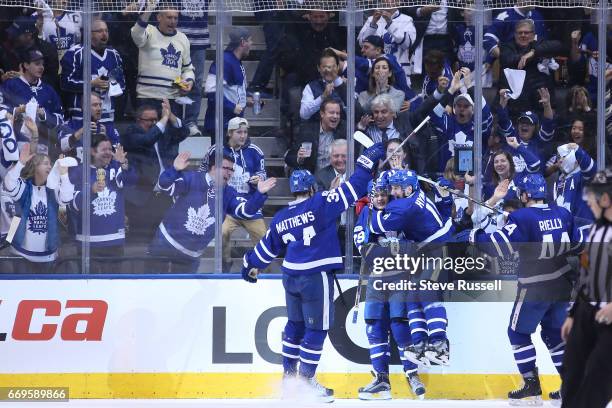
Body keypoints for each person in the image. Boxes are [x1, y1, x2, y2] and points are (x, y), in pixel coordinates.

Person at [240, 143, 386, 402]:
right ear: (310, 188)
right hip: (315, 276)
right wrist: (366, 161)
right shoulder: (321, 202)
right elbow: (353, 189)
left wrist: (250, 266)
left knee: (294, 325)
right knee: (317, 329)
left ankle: (289, 379)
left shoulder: (283, 216)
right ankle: (306, 381)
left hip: (290, 276)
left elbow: (266, 248)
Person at [470, 173, 586, 405]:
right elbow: (579, 243)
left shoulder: (522, 216)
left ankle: (531, 387)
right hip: (563, 286)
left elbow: (495, 248)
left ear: (525, 195)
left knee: (517, 333)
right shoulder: (562, 213)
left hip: (534, 287)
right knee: (554, 334)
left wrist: (475, 235)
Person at [353, 174, 426, 400]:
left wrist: (397, 247)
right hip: (377, 277)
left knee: (399, 325)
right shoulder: (366, 214)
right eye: (377, 194)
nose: (381, 198)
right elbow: (363, 247)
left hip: (400, 276)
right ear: (370, 196)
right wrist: (390, 248)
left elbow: (415, 242)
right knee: (374, 326)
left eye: (385, 193)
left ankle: (412, 374)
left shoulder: (399, 211)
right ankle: (381, 379)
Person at [369, 169, 452, 367]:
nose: (392, 192)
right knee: (412, 297)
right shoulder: (414, 195)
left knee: (426, 291)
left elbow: (375, 225)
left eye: (396, 188)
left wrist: (373, 201)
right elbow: (443, 213)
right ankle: (421, 344)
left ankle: (440, 344)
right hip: (426, 250)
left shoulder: (404, 206)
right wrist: (445, 198)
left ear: (407, 189)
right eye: (392, 187)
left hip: (437, 248)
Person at [149, 152, 276, 273]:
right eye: (226, 168)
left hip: (190, 257)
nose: (230, 173)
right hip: (165, 244)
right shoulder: (192, 178)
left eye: (232, 170)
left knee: (184, 292)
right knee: (153, 286)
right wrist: (174, 169)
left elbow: (245, 212)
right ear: (214, 167)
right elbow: (164, 186)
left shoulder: (228, 193)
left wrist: (259, 194)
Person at [560, 168, 612, 408]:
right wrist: (573, 315)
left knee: (597, 383)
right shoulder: (595, 229)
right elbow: (585, 273)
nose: (589, 201)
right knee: (571, 377)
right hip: (586, 312)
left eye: (594, 196)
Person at [204, 117, 268, 271]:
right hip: (227, 207)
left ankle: (258, 268)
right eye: (239, 132)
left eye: (245, 132)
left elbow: (262, 173)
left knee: (264, 239)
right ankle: (225, 263)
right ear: (229, 133)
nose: (243, 135)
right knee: (221, 232)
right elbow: (203, 172)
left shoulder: (255, 151)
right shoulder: (216, 150)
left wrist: (259, 179)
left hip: (250, 206)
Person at [121, 100, 188, 243]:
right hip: (142, 196)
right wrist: (163, 119)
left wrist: (170, 116)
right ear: (138, 120)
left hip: (165, 195)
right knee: (139, 239)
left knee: (164, 237)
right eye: (149, 120)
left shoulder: (162, 132)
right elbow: (147, 139)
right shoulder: (130, 133)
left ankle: (158, 265)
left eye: (155, 119)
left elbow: (183, 132)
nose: (153, 123)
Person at [67, 134, 136, 272]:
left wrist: (123, 163)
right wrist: (90, 190)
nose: (108, 153)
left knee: (112, 286)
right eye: (104, 149)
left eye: (110, 149)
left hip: (114, 240)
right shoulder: (79, 171)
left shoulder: (116, 168)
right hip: (88, 243)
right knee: (88, 290)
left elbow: (131, 181)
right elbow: (72, 204)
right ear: (92, 151)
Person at [3, 143, 73, 273]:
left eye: (50, 164)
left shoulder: (53, 189)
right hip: (21, 254)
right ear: (35, 166)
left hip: (48, 256)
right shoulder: (24, 187)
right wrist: (20, 163)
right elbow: (9, 183)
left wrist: (64, 175)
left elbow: (67, 198)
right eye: (45, 163)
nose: (50, 166)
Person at [131, 2, 195, 121]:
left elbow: (187, 68)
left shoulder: (183, 38)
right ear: (159, 17)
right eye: (169, 17)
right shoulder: (149, 31)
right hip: (147, 97)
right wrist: (149, 9)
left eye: (176, 18)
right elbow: (136, 34)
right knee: (148, 137)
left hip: (172, 99)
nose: (173, 21)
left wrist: (188, 82)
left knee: (171, 137)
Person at [60, 19, 125, 131]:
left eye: (106, 30)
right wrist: (91, 84)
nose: (104, 34)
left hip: (107, 115)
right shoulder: (75, 53)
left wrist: (111, 85)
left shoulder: (114, 54)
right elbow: (65, 83)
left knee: (107, 148)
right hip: (80, 116)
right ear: (89, 33)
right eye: (99, 31)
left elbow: (122, 84)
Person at [204, 27, 253, 135]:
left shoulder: (235, 62)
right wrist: (232, 107)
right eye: (249, 40)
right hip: (223, 125)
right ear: (243, 42)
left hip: (232, 125)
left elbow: (235, 90)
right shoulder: (224, 61)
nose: (251, 43)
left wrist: (247, 98)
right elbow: (212, 92)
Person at [285, 98, 345, 174]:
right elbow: (289, 157)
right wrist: (299, 158)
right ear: (322, 114)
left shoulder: (343, 130)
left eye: (338, 113)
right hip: (312, 177)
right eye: (332, 113)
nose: (335, 116)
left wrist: (361, 128)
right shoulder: (307, 131)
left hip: (335, 177)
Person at [553, 143, 597, 226]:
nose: (560, 160)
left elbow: (592, 170)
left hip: (584, 230)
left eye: (564, 156)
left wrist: (577, 150)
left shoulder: (582, 175)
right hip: (567, 230)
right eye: (558, 157)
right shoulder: (560, 179)